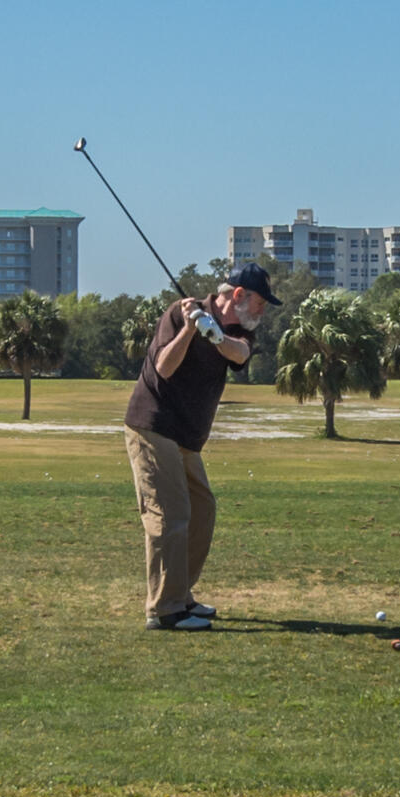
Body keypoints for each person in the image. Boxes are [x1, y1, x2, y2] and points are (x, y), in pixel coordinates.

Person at [121, 261, 278, 631]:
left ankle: (181, 594)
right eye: (260, 302)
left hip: (187, 437)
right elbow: (163, 366)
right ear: (239, 295)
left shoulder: (240, 328)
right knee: (168, 515)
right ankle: (164, 610)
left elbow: (240, 355)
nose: (263, 310)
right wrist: (191, 330)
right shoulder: (182, 312)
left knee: (202, 510)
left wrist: (217, 337)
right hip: (155, 426)